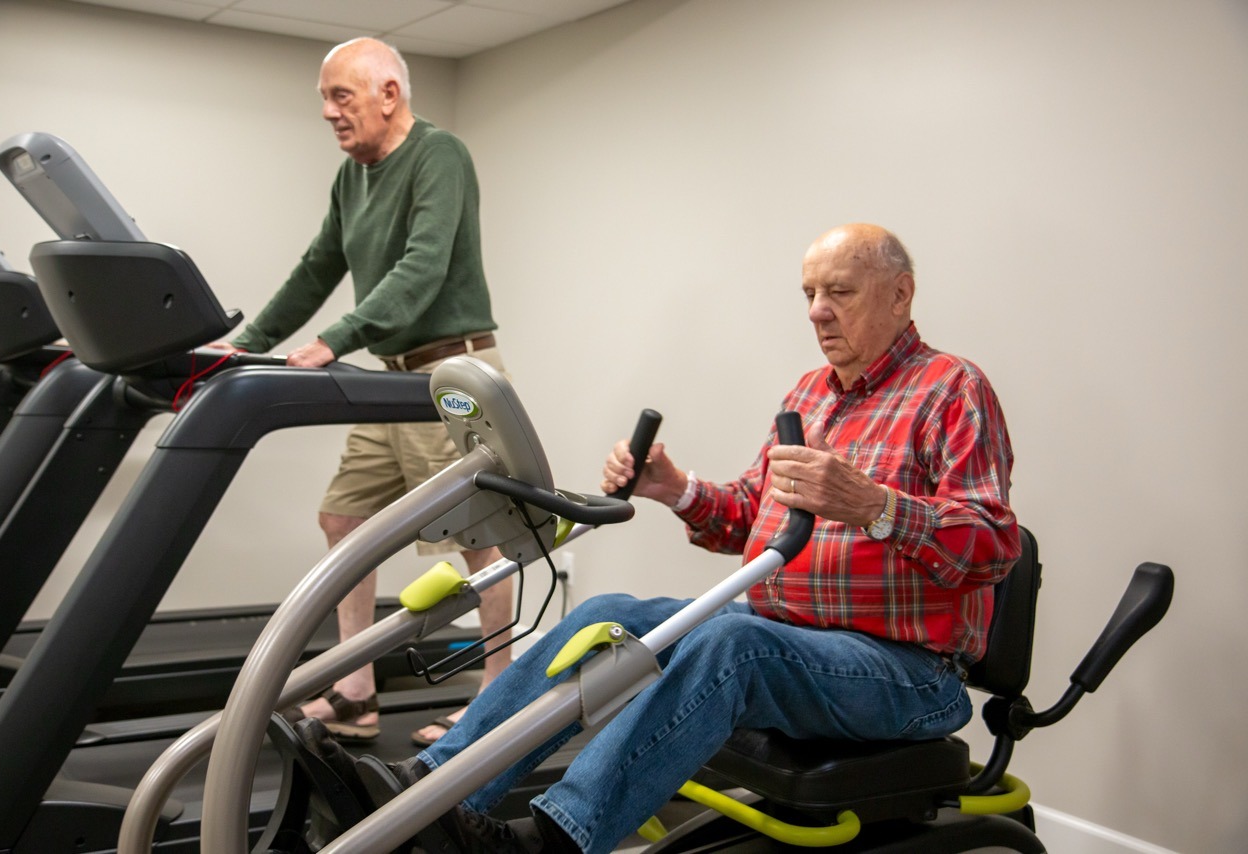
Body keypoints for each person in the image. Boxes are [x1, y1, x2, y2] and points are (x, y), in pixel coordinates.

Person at [375, 222, 1020, 853]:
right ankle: (427, 798)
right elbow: (751, 518)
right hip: (793, 642)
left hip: (906, 674)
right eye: (809, 295)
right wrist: (672, 486)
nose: (819, 313)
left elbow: (993, 545)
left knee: (730, 639)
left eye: (840, 294)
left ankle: (552, 839)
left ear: (900, 294)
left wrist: (870, 503)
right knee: (605, 617)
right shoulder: (811, 394)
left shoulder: (951, 390)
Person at [218, 37, 511, 746]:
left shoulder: (440, 155)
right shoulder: (353, 178)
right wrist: (246, 344)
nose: (328, 113)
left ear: (388, 92)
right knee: (344, 521)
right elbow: (317, 266)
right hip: (392, 379)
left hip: (451, 377)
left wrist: (336, 339)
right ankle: (355, 691)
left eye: (340, 96)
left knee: (483, 541)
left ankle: (497, 700)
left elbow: (423, 268)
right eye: (324, 100)